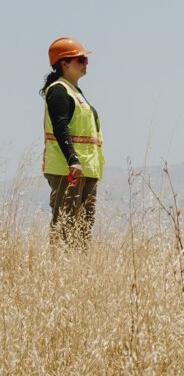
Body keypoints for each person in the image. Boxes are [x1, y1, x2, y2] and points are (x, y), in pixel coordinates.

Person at [41, 37, 102, 245]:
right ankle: (60, 272)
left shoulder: (76, 93)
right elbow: (60, 127)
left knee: (83, 228)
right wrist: (72, 159)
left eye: (85, 59)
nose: (85, 63)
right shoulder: (59, 90)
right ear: (64, 63)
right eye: (80, 59)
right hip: (67, 169)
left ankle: (78, 273)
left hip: (86, 170)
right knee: (66, 226)